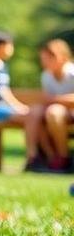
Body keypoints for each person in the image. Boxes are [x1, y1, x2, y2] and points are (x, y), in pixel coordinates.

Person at [24, 38, 74, 172]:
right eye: (43, 59)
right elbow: (47, 98)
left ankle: (64, 157)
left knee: (54, 111)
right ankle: (37, 157)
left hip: (68, 112)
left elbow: (53, 100)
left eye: (48, 58)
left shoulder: (72, 73)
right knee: (34, 112)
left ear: (61, 57)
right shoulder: (46, 76)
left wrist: (56, 100)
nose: (44, 62)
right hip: (55, 111)